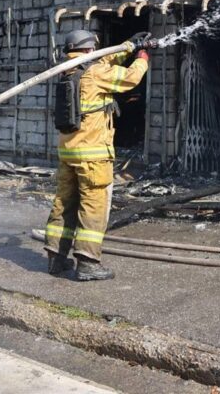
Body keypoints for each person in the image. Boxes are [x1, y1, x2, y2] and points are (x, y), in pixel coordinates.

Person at [45, 30, 150, 281]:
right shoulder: (95, 74)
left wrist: (128, 45)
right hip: (92, 156)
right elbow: (130, 78)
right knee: (93, 207)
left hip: (69, 152)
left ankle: (56, 259)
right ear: (89, 49)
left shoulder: (69, 71)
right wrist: (142, 57)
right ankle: (88, 263)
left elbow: (103, 61)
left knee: (64, 205)